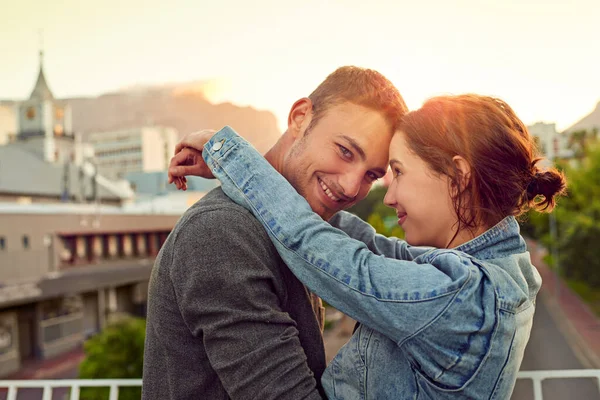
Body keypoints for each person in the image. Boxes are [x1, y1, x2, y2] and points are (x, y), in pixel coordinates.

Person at [168, 94, 567, 399]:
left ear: (457, 176)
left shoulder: (461, 295)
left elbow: (333, 255)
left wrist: (232, 158)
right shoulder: (500, 274)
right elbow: (372, 246)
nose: (388, 196)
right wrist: (279, 179)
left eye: (396, 172)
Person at [142, 66, 408, 399]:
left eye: (371, 175)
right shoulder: (222, 233)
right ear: (300, 117)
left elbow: (388, 260)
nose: (351, 186)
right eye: (344, 151)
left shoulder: (299, 229)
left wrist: (236, 163)